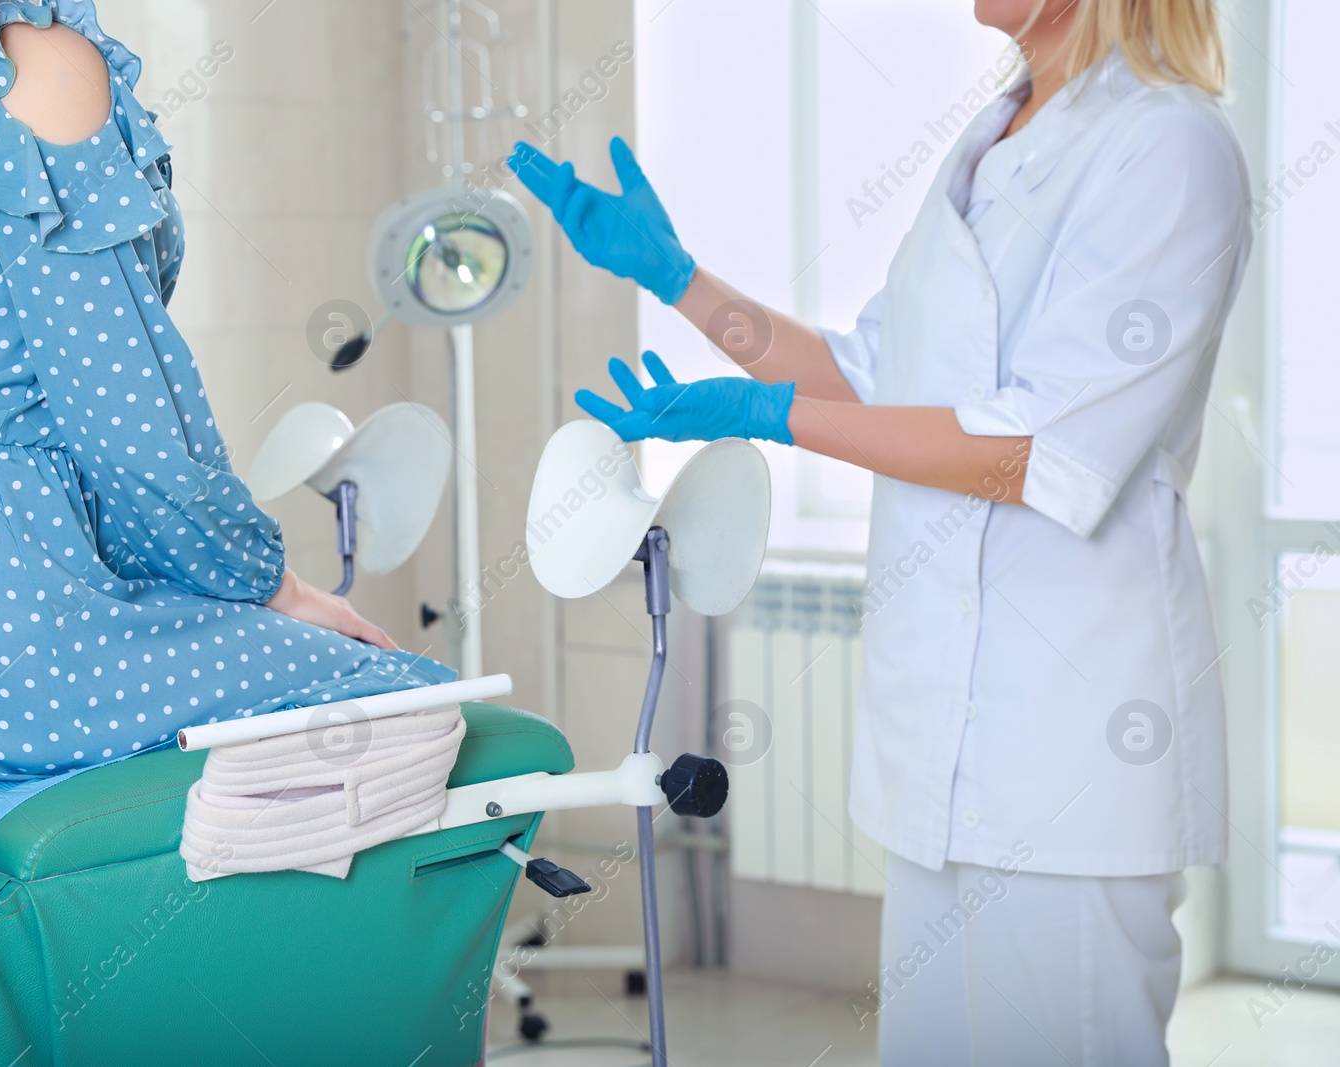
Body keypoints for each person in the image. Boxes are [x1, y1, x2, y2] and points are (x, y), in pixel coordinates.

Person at [511, 0, 1247, 1063]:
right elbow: (867, 373)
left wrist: (772, 419)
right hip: (942, 744)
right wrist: (677, 280)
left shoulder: (1167, 144)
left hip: (1068, 738)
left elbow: (1042, 448)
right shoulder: (990, 136)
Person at [0, 0, 449, 803]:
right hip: (1, 636)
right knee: (407, 698)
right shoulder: (39, 64)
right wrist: (270, 584)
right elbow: (127, 428)